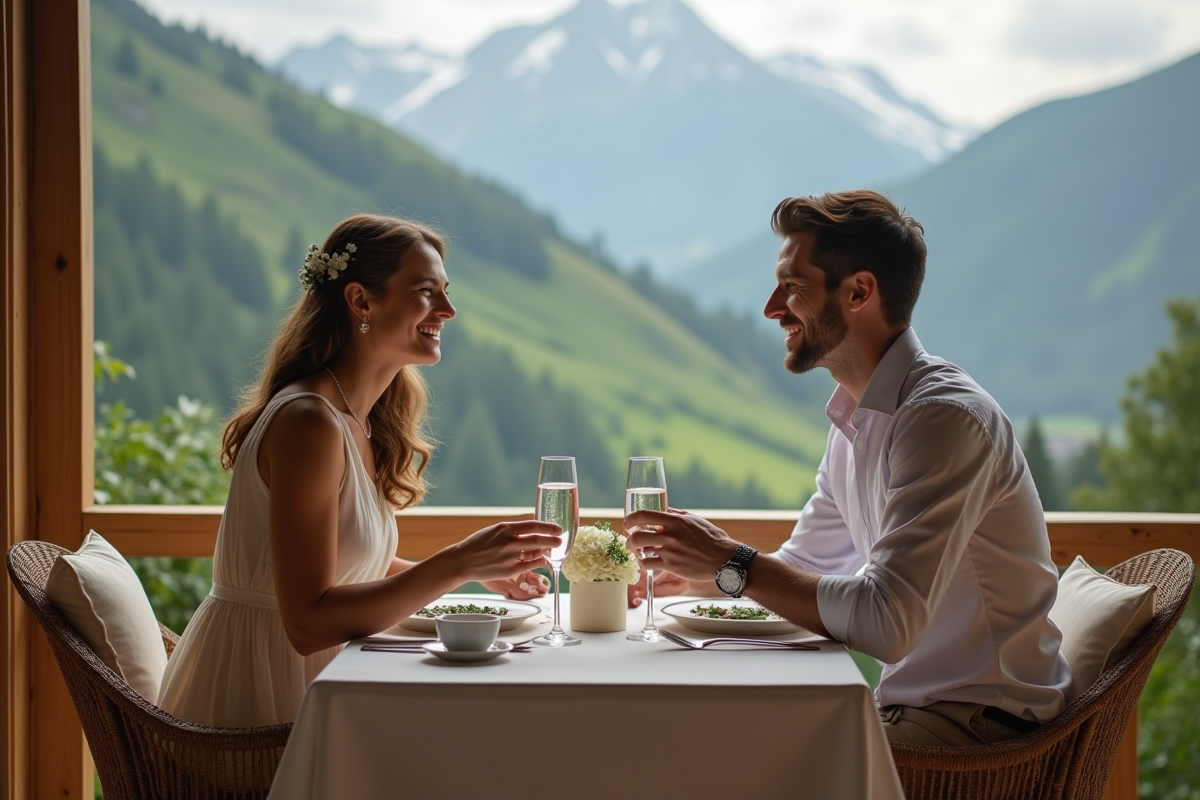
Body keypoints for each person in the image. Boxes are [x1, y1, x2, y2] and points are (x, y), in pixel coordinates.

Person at [626, 190, 1071, 747]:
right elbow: (804, 565)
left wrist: (730, 560)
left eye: (793, 287)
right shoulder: (856, 418)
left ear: (859, 291)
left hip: (983, 731)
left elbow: (888, 624)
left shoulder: (942, 420)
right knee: (700, 739)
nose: (771, 307)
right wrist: (698, 578)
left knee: (715, 749)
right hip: (927, 713)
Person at [157, 214, 561, 727]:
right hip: (264, 690)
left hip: (321, 673)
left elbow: (349, 567)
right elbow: (306, 623)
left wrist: (472, 577)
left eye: (446, 291)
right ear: (361, 302)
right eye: (426, 291)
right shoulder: (309, 422)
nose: (449, 310)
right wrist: (458, 563)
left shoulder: (356, 421)